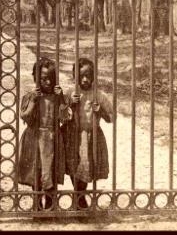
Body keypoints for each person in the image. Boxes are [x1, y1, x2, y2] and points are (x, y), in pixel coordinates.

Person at [17, 57, 72, 210]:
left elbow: (65, 118)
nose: (48, 82)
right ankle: (37, 206)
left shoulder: (58, 97)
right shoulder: (30, 96)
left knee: (52, 172)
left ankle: (50, 205)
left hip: (53, 139)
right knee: (37, 172)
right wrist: (34, 101)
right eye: (44, 79)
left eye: (52, 79)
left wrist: (61, 99)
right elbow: (25, 117)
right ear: (36, 78)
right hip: (35, 139)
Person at [62, 57, 113, 209]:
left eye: (88, 76)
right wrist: (71, 104)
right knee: (73, 165)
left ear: (93, 76)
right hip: (72, 136)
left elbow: (111, 117)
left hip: (91, 137)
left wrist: (100, 110)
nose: (85, 79)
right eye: (81, 76)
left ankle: (80, 197)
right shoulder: (70, 92)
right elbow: (61, 116)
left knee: (85, 166)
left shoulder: (99, 95)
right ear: (74, 76)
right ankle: (80, 197)